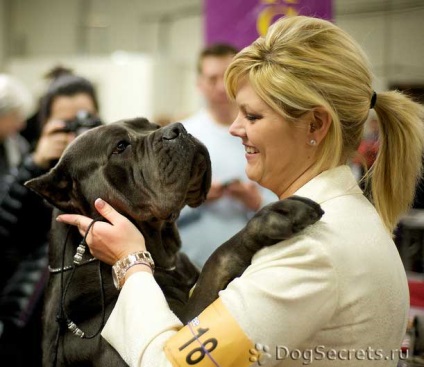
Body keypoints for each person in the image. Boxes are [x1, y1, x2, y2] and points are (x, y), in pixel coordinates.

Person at [57, 15, 424, 366]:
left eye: (252, 116)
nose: (234, 128)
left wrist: (131, 261)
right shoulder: (348, 218)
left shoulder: (311, 252)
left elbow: (169, 364)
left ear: (315, 124)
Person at [0, 67, 101, 366]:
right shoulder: (30, 162)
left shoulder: (114, 163)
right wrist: (34, 164)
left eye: (85, 119)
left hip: (95, 310)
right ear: (45, 123)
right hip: (35, 312)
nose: (76, 131)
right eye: (65, 122)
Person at [178, 43, 275, 268]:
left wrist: (256, 201)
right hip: (190, 266)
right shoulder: (182, 135)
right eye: (212, 79)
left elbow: (283, 202)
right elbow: (160, 208)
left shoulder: (263, 133)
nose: (221, 87)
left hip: (250, 266)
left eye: (227, 77)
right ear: (199, 84)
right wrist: (195, 197)